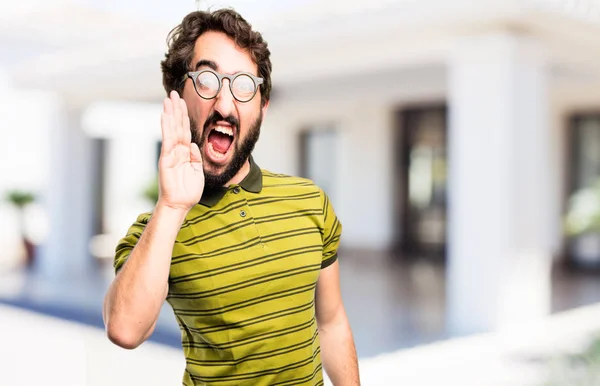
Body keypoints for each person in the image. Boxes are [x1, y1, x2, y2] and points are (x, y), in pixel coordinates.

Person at [102, 8, 360, 386]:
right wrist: (172, 206)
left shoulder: (309, 201)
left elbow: (332, 322)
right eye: (207, 81)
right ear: (178, 95)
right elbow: (124, 329)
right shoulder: (156, 232)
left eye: (243, 86)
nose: (225, 105)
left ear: (263, 107)